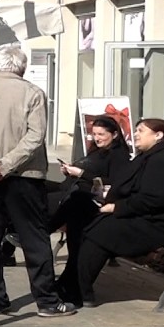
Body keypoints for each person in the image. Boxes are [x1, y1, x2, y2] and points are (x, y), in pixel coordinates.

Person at [0, 47, 74, 317]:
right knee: (34, 237)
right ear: (22, 68)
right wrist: (4, 165)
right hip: (24, 176)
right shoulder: (32, 93)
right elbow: (35, 137)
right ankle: (47, 301)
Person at [76, 119, 164, 307]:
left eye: (141, 131)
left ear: (158, 135)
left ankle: (79, 291)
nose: (136, 134)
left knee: (104, 229)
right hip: (149, 216)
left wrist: (116, 207)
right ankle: (75, 287)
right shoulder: (150, 156)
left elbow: (153, 199)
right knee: (91, 220)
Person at [49, 116, 132, 305]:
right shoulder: (98, 151)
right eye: (94, 134)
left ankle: (42, 230)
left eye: (101, 134)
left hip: (94, 203)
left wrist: (81, 173)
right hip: (80, 197)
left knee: (75, 236)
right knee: (39, 190)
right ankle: (67, 285)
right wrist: (70, 171)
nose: (97, 138)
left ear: (115, 134)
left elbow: (115, 182)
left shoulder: (118, 155)